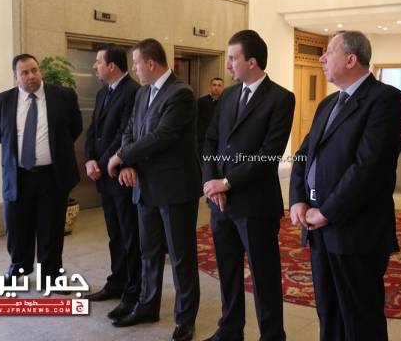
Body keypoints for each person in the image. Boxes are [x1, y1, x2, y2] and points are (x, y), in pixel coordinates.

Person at [290, 31, 401, 341]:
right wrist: (298, 199)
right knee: (328, 311)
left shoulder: (386, 99)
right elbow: (304, 154)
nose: (322, 58)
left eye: (329, 52)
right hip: (318, 227)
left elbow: (368, 168)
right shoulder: (328, 103)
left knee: (359, 318)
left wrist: (327, 212)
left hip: (356, 230)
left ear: (351, 59)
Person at [202, 29, 295, 341]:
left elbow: (269, 154)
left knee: (263, 277)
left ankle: (272, 336)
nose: (228, 64)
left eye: (233, 58)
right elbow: (210, 140)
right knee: (228, 272)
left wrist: (226, 183)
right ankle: (230, 330)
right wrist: (211, 182)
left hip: (255, 205)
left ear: (252, 62)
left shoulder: (281, 98)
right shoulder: (229, 96)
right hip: (221, 204)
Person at [106, 38, 200, 341]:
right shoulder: (142, 93)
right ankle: (147, 306)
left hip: (175, 188)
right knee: (148, 252)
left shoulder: (181, 93)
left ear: (150, 63)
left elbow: (162, 136)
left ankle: (185, 320)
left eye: (136, 63)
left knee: (181, 256)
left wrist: (121, 156)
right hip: (145, 186)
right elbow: (130, 130)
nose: (134, 68)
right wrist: (127, 162)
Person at [0, 53, 82, 288]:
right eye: (25, 72)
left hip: (52, 175)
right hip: (18, 176)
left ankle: (50, 274)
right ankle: (18, 267)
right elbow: (0, 134)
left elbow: (75, 128)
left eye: (34, 70)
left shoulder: (63, 96)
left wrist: (51, 151)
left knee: (51, 228)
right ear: (16, 77)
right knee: (16, 226)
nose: (31, 76)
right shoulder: (1, 101)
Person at [83, 45, 142, 320]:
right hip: (104, 176)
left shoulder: (133, 92)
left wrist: (105, 161)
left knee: (130, 236)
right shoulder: (102, 92)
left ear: (112, 66)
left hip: (121, 175)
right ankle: (116, 282)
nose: (95, 66)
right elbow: (93, 130)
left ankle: (133, 291)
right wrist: (89, 160)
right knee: (114, 235)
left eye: (98, 62)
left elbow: (125, 134)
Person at [197, 77, 224, 156]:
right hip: (202, 141)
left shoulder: (226, 102)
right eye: (214, 85)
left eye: (219, 85)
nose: (216, 88)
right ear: (210, 86)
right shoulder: (201, 102)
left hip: (219, 141)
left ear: (223, 87)